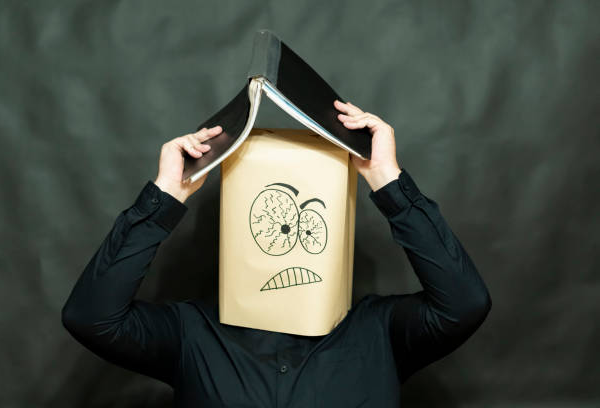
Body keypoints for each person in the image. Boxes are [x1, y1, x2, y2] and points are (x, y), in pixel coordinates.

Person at [62, 99, 492, 407]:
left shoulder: (379, 332)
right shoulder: (191, 335)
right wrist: (163, 197)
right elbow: (91, 318)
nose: (292, 231)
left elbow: (465, 304)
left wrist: (387, 180)